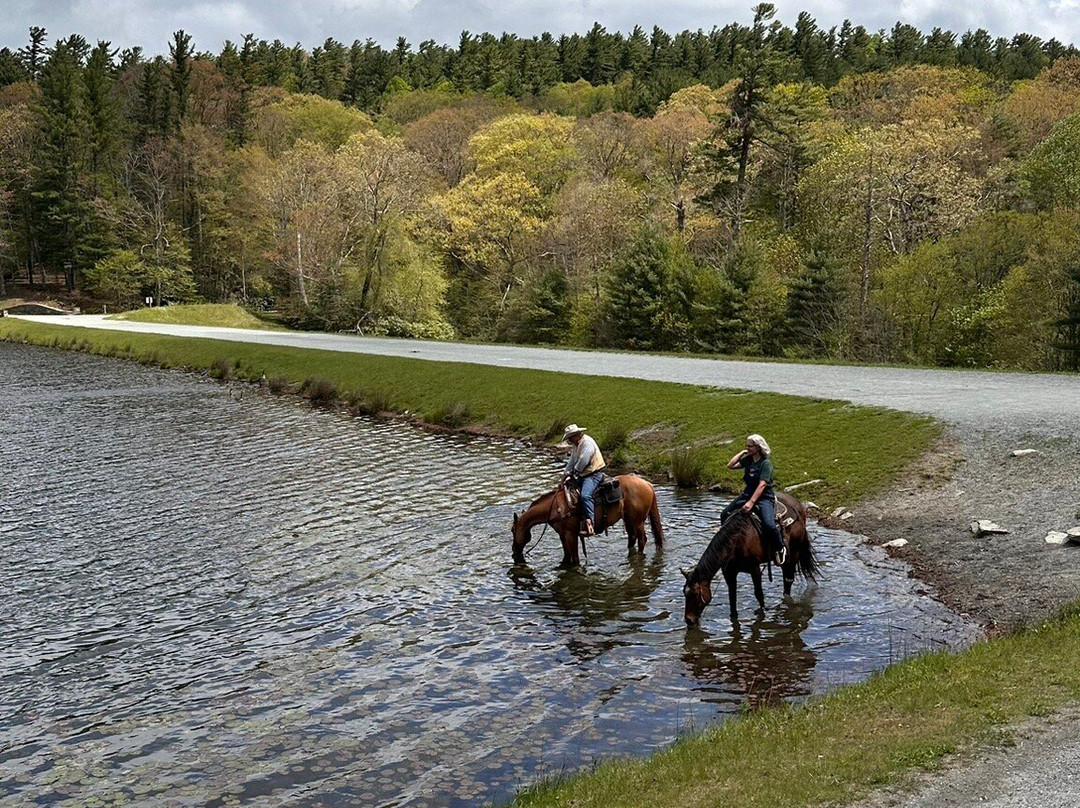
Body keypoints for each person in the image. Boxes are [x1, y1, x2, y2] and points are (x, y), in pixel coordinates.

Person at [720, 434, 786, 565]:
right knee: (724, 514)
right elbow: (731, 465)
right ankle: (728, 543)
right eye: (747, 446)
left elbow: (762, 485)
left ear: (758, 447)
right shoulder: (749, 460)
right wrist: (742, 452)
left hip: (763, 498)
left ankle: (780, 547)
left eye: (750, 446)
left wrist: (751, 502)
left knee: (769, 525)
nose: (748, 448)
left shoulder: (766, 464)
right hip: (747, 494)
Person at [559, 424, 606, 536]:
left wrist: (573, 472)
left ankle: (591, 523)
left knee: (585, 495)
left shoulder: (587, 443)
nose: (570, 441)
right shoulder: (577, 445)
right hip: (583, 475)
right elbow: (572, 461)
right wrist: (564, 475)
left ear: (576, 436)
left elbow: (583, 461)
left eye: (570, 438)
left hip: (593, 474)